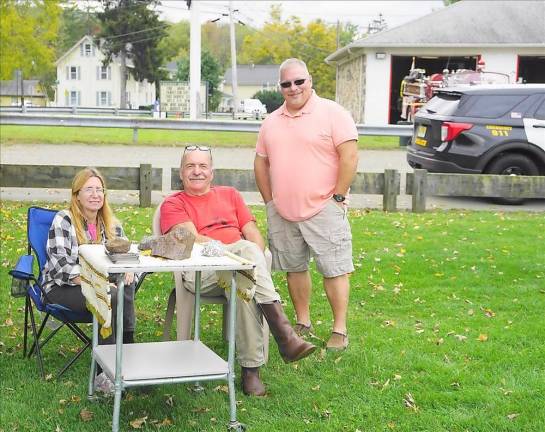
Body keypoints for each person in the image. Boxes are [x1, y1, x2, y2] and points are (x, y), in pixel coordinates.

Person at [160, 146, 316, 396]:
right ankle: (283, 334)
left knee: (242, 280)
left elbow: (253, 233)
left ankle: (251, 371)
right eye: (190, 166)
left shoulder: (230, 195)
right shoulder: (173, 203)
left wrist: (248, 259)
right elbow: (191, 238)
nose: (197, 172)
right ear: (181, 172)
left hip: (237, 267)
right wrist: (235, 253)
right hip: (202, 270)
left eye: (202, 166)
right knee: (245, 256)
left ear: (212, 172)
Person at [254, 58, 359, 351]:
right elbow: (261, 163)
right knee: (294, 268)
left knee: (334, 268)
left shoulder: (333, 113)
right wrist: (270, 203)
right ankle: (303, 321)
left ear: (310, 80)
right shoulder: (271, 121)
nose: (293, 88)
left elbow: (349, 156)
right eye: (286, 83)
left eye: (299, 81)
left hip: (324, 206)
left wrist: (338, 197)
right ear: (281, 87)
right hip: (284, 212)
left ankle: (340, 329)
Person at [42, 167, 137, 392]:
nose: (96, 195)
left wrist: (129, 268)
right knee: (111, 294)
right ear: (77, 195)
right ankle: (104, 374)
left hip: (102, 286)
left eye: (99, 190)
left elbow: (128, 253)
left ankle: (129, 357)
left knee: (125, 286)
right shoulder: (64, 221)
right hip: (61, 288)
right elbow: (61, 267)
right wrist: (97, 284)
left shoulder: (111, 224)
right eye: (89, 190)